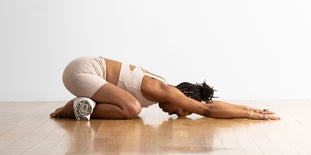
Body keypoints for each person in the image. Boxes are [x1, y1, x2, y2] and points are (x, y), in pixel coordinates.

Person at [50, 57, 280, 120]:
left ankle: (84, 106)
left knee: (128, 108)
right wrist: (253, 115)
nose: (177, 114)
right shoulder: (163, 89)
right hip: (82, 71)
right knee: (132, 108)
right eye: (183, 110)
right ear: (183, 97)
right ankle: (71, 109)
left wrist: (253, 108)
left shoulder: (164, 86)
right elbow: (207, 111)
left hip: (85, 74)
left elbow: (208, 106)